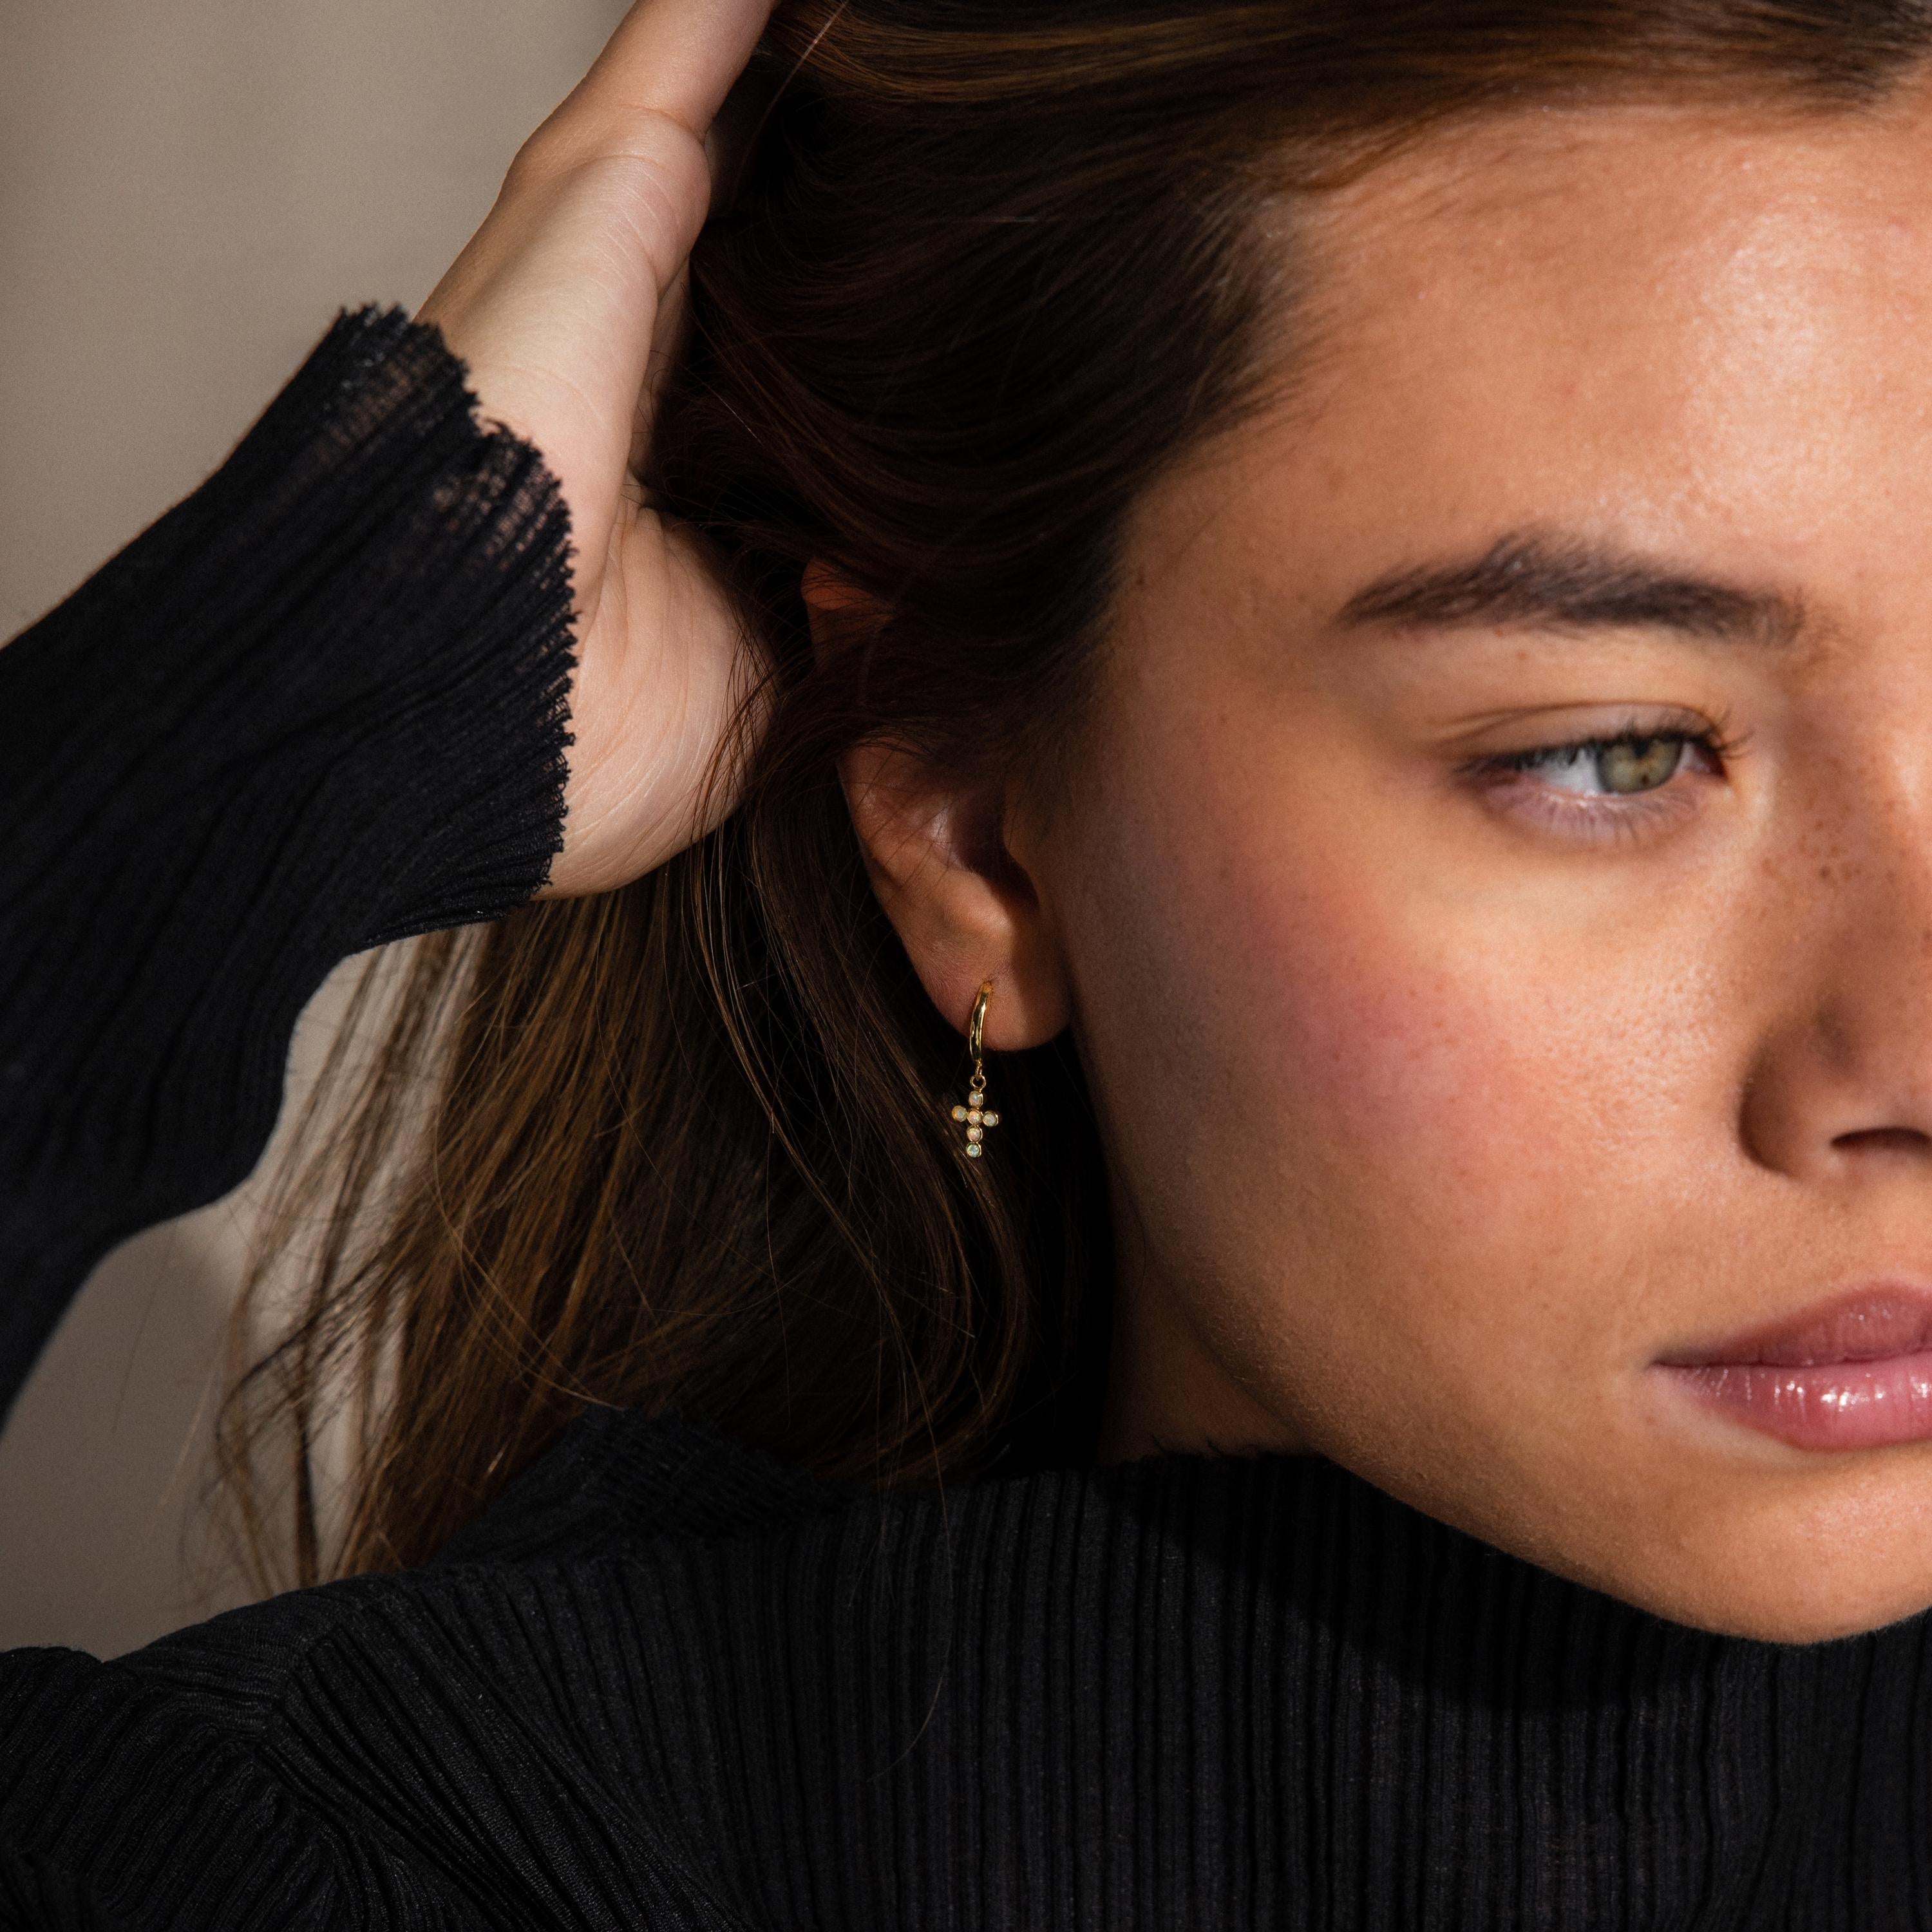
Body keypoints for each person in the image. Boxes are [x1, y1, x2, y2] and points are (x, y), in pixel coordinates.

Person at [6, 0, 1932, 1920]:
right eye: (1610, 754)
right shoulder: (383, 1864)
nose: (1910, 1060)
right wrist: (311, 690)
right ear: (978, 844)